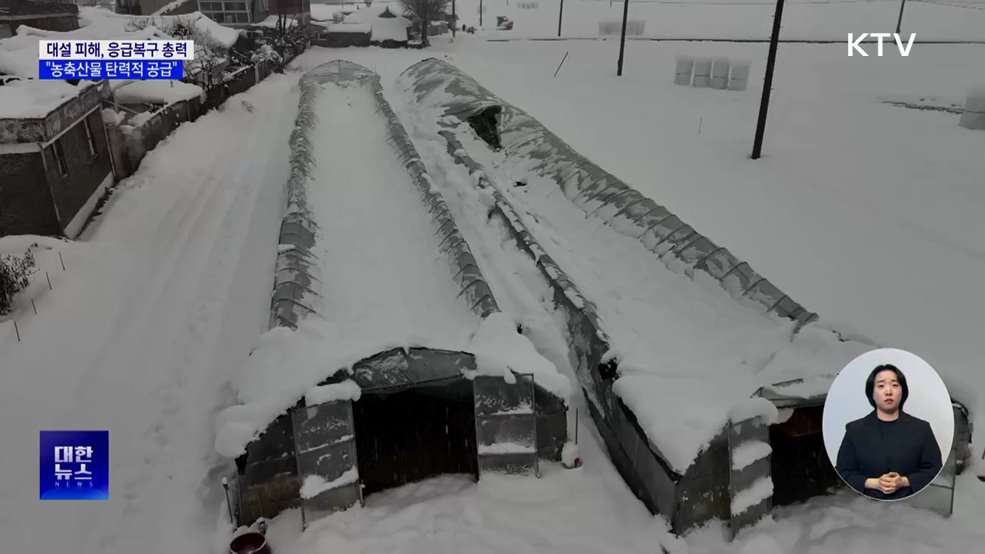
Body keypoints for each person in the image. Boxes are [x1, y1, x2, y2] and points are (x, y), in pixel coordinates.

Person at [835, 364, 943, 500]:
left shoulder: (922, 428)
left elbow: (934, 469)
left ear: (903, 392)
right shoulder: (855, 430)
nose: (888, 391)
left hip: (912, 505)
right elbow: (843, 473)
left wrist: (904, 481)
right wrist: (874, 483)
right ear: (871, 393)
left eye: (894, 385)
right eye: (881, 386)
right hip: (864, 505)